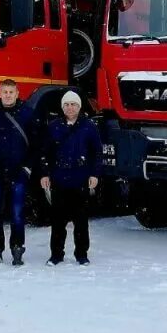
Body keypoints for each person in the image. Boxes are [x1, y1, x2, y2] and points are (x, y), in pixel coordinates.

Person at [0, 79, 37, 267]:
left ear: (17, 93)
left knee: (17, 213)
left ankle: (17, 249)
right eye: (5, 92)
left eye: (11, 92)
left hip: (18, 172)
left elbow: (36, 143)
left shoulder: (27, 113)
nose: (8, 95)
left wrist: (27, 167)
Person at [39, 91, 103, 266]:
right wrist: (45, 173)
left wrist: (95, 174)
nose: (70, 107)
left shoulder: (88, 126)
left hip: (80, 179)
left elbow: (97, 152)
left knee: (81, 221)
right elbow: (45, 153)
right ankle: (56, 254)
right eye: (66, 104)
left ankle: (82, 254)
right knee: (58, 221)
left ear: (79, 106)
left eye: (73, 104)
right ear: (62, 107)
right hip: (59, 179)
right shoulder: (54, 126)